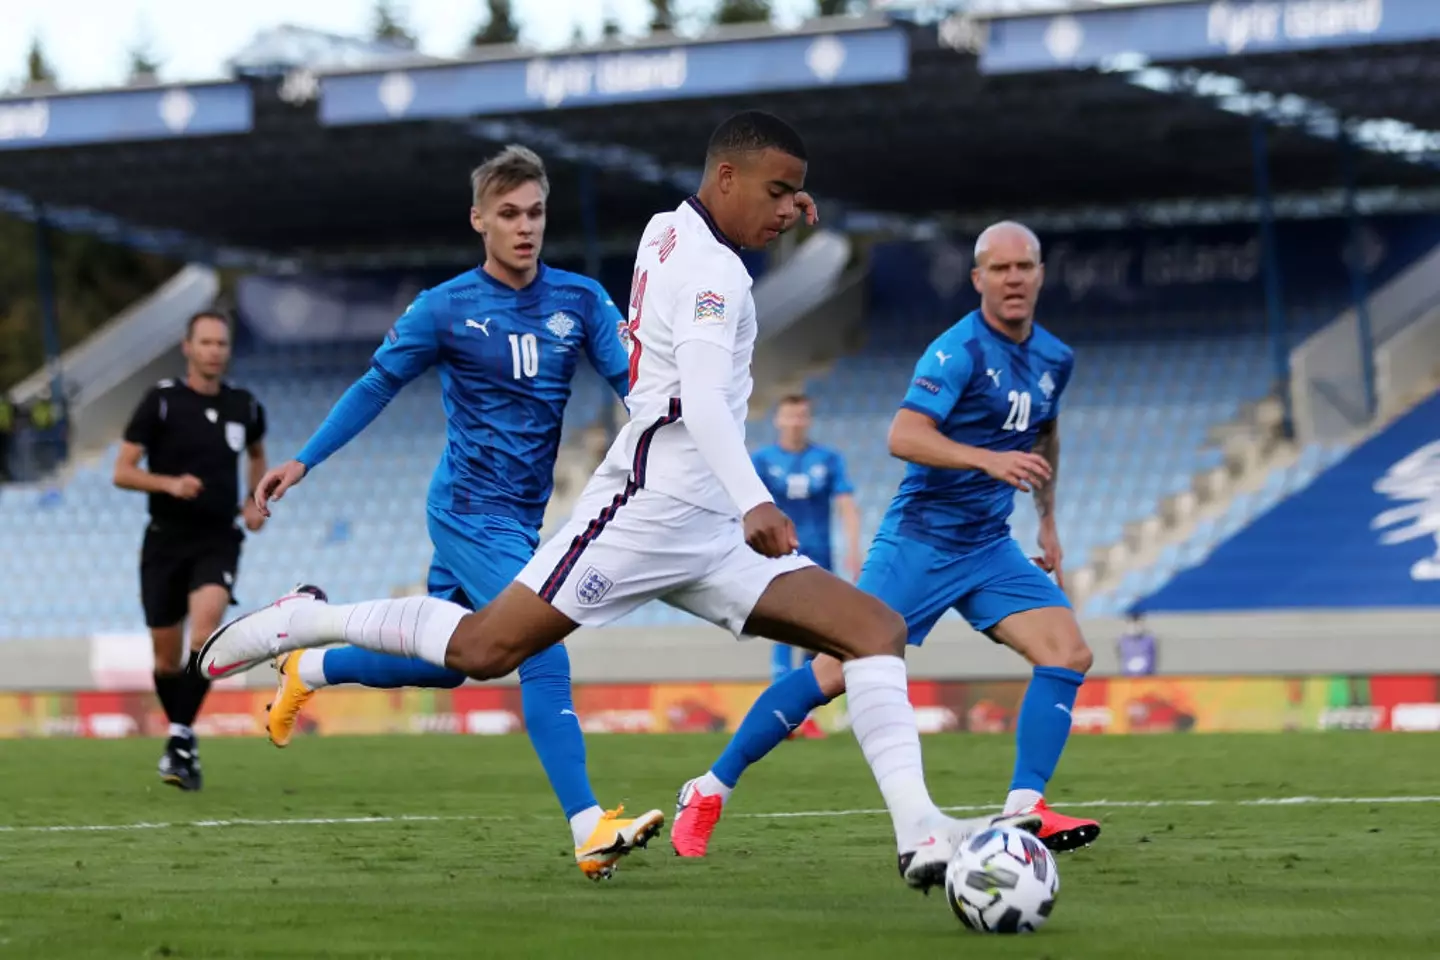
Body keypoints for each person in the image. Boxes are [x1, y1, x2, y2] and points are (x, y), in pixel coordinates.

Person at [198, 111, 1039, 891]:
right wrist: (757, 499)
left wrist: (774, 199)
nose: (788, 208)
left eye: (794, 192)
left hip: (706, 530)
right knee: (492, 652)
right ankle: (308, 624)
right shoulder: (717, 278)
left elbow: (676, 313)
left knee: (873, 629)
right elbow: (704, 403)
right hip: (641, 513)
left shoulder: (666, 229)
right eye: (777, 191)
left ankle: (920, 831)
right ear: (728, 179)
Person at [251, 145, 657, 882]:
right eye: (508, 214)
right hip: (467, 509)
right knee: (541, 644)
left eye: (535, 212)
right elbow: (376, 385)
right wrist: (304, 460)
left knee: (451, 666)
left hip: (521, 517)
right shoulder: (444, 307)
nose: (525, 227)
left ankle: (310, 664)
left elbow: (638, 389)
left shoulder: (581, 300)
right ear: (480, 220)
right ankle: (589, 826)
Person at [669, 221, 1102, 859]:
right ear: (978, 278)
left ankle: (1024, 808)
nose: (1013, 279)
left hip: (989, 546)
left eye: (1025, 267)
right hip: (920, 543)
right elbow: (903, 435)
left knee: (1068, 652)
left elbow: (1045, 436)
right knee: (831, 674)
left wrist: (1047, 523)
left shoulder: (1054, 359)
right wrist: (986, 461)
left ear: (1039, 274)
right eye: (999, 268)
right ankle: (709, 788)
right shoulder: (957, 351)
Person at [114, 311, 267, 791]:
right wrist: (169, 483)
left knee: (206, 631)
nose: (214, 351)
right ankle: (183, 743)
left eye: (221, 343)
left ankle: (178, 736)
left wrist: (253, 498)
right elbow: (122, 470)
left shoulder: (245, 405)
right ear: (188, 347)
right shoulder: (160, 402)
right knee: (165, 660)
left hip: (218, 538)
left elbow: (258, 454)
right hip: (164, 540)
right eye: (205, 342)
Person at [751, 393, 860, 737]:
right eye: (789, 416)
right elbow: (749, 506)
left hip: (820, 562)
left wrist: (854, 547)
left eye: (801, 416)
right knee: (782, 631)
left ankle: (804, 716)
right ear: (778, 420)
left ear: (808, 419)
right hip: (778, 558)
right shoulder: (763, 461)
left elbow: (845, 504)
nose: (795, 422)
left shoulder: (827, 459)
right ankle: (782, 718)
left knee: (819, 636)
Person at [1117, 612, 1158, 676]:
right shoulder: (1123, 641)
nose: (1135, 627)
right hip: (1127, 678)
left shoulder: (1149, 640)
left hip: (1146, 677)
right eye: (1132, 624)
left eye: (1138, 624)